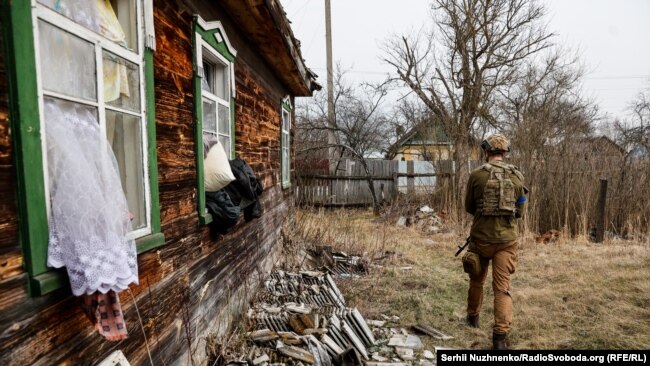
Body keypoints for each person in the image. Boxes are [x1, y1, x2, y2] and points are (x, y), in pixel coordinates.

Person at [463, 133, 528, 350]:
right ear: (505, 152)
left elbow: (469, 207)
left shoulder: (476, 175)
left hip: (480, 239)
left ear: (486, 151)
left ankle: (473, 318)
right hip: (506, 242)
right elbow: (520, 211)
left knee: (476, 281)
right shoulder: (517, 177)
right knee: (502, 289)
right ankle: (500, 338)